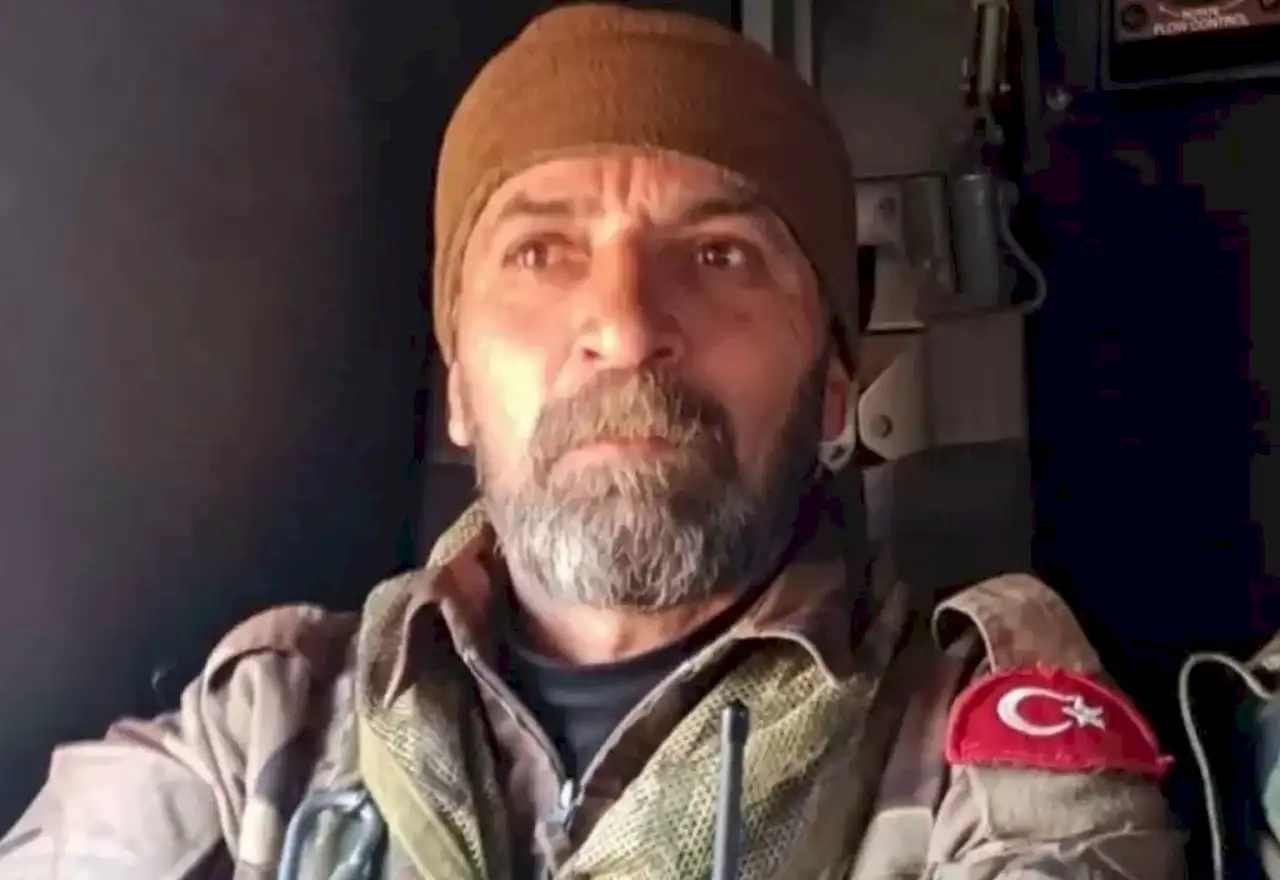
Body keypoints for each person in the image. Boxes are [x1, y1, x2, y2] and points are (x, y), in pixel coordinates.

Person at [0, 4, 1185, 877]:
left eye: (717, 254)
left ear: (833, 388)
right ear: (458, 385)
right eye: (540, 252)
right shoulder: (265, 731)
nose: (622, 324)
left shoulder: (979, 749)